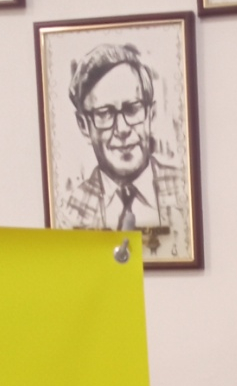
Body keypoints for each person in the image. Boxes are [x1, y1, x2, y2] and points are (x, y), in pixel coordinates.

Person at [55, 44, 189, 259]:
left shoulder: (185, 190)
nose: (122, 129)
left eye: (132, 109)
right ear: (83, 126)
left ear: (151, 114)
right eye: (105, 113)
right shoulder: (66, 214)